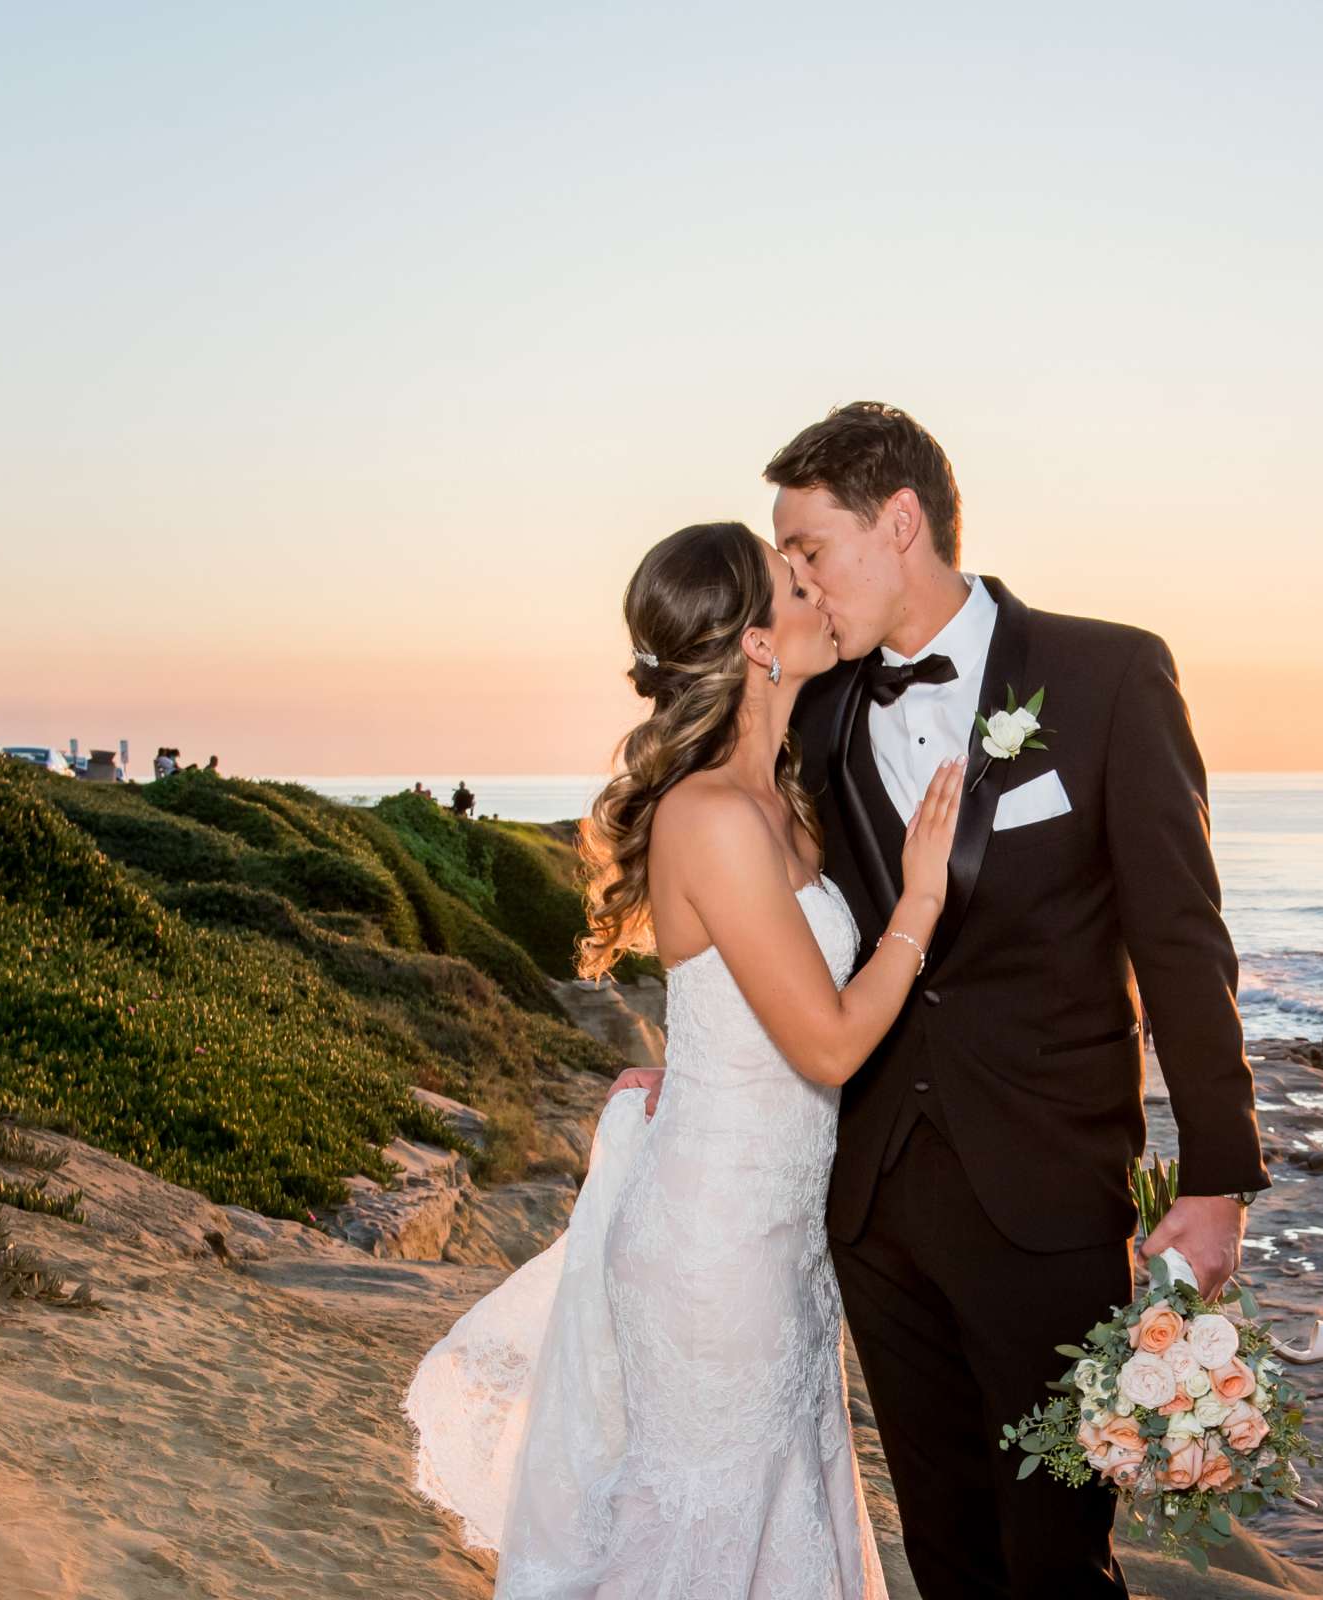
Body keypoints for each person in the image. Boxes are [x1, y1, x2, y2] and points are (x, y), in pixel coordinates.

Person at [737, 401, 1262, 1596]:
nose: (797, 582)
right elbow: (775, 903)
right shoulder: (818, 707)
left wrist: (1219, 1176)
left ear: (901, 522)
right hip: (871, 1193)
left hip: (1047, 1192)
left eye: (810, 548)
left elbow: (1180, 935)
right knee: (945, 1548)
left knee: (1058, 1556)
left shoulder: (1108, 673)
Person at [406, 521, 963, 1598]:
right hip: (716, 1256)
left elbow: (741, 999)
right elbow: (834, 1042)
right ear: (759, 643)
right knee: (703, 1527)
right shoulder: (711, 813)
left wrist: (695, 1065)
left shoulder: (781, 798)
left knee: (774, 1509)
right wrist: (922, 900)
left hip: (774, 1237)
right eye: (799, 584)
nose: (823, 593)